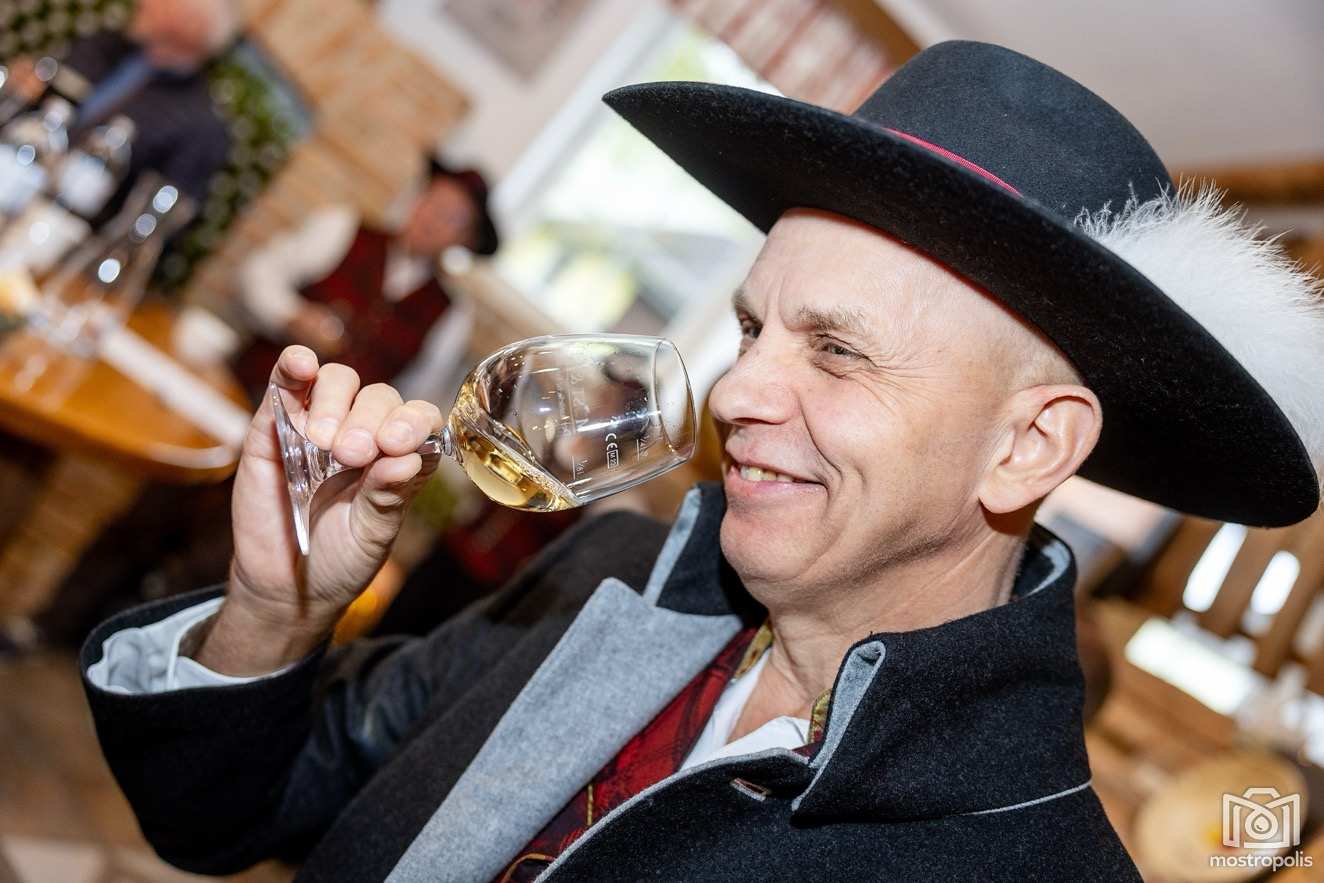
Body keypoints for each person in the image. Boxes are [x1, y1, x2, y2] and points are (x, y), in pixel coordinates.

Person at [79, 41, 1323, 881]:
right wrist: (274, 610)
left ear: (1027, 444)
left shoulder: (1025, 860)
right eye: (750, 329)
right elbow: (225, 815)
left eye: (836, 350)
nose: (733, 394)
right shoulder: (606, 574)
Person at [232, 158, 499, 405]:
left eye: (450, 218)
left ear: (465, 240)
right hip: (253, 389)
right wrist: (291, 316)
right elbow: (259, 273)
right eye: (432, 201)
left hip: (332, 435)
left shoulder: (450, 316)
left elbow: (415, 396)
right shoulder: (343, 229)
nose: (431, 219)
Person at [6, 0, 237, 215]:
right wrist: (20, 92)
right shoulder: (104, 43)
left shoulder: (200, 127)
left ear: (191, 24)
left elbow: (152, 218)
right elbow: (43, 109)